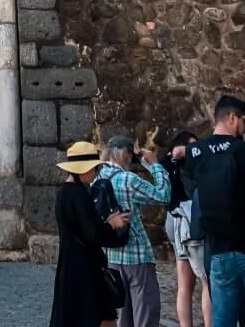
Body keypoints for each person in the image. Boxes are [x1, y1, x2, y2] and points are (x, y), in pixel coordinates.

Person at [177, 94, 245, 327]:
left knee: (222, 320)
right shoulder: (240, 149)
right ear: (232, 118)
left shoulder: (196, 152)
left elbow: (191, 182)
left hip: (217, 252)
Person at [50, 141, 131, 327]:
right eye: (94, 169)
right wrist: (112, 224)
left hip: (69, 266)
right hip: (86, 270)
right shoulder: (79, 194)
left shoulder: (63, 193)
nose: (96, 174)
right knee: (102, 318)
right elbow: (93, 235)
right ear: (82, 170)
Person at [100, 135, 171, 327]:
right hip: (137, 255)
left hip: (111, 256)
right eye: (130, 155)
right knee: (145, 314)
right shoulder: (128, 180)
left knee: (124, 318)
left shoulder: (97, 177)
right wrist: (154, 165)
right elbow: (163, 195)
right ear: (124, 154)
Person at [162, 131, 212, 327]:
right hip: (190, 220)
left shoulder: (165, 165)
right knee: (206, 281)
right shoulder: (189, 166)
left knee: (184, 284)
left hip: (173, 219)